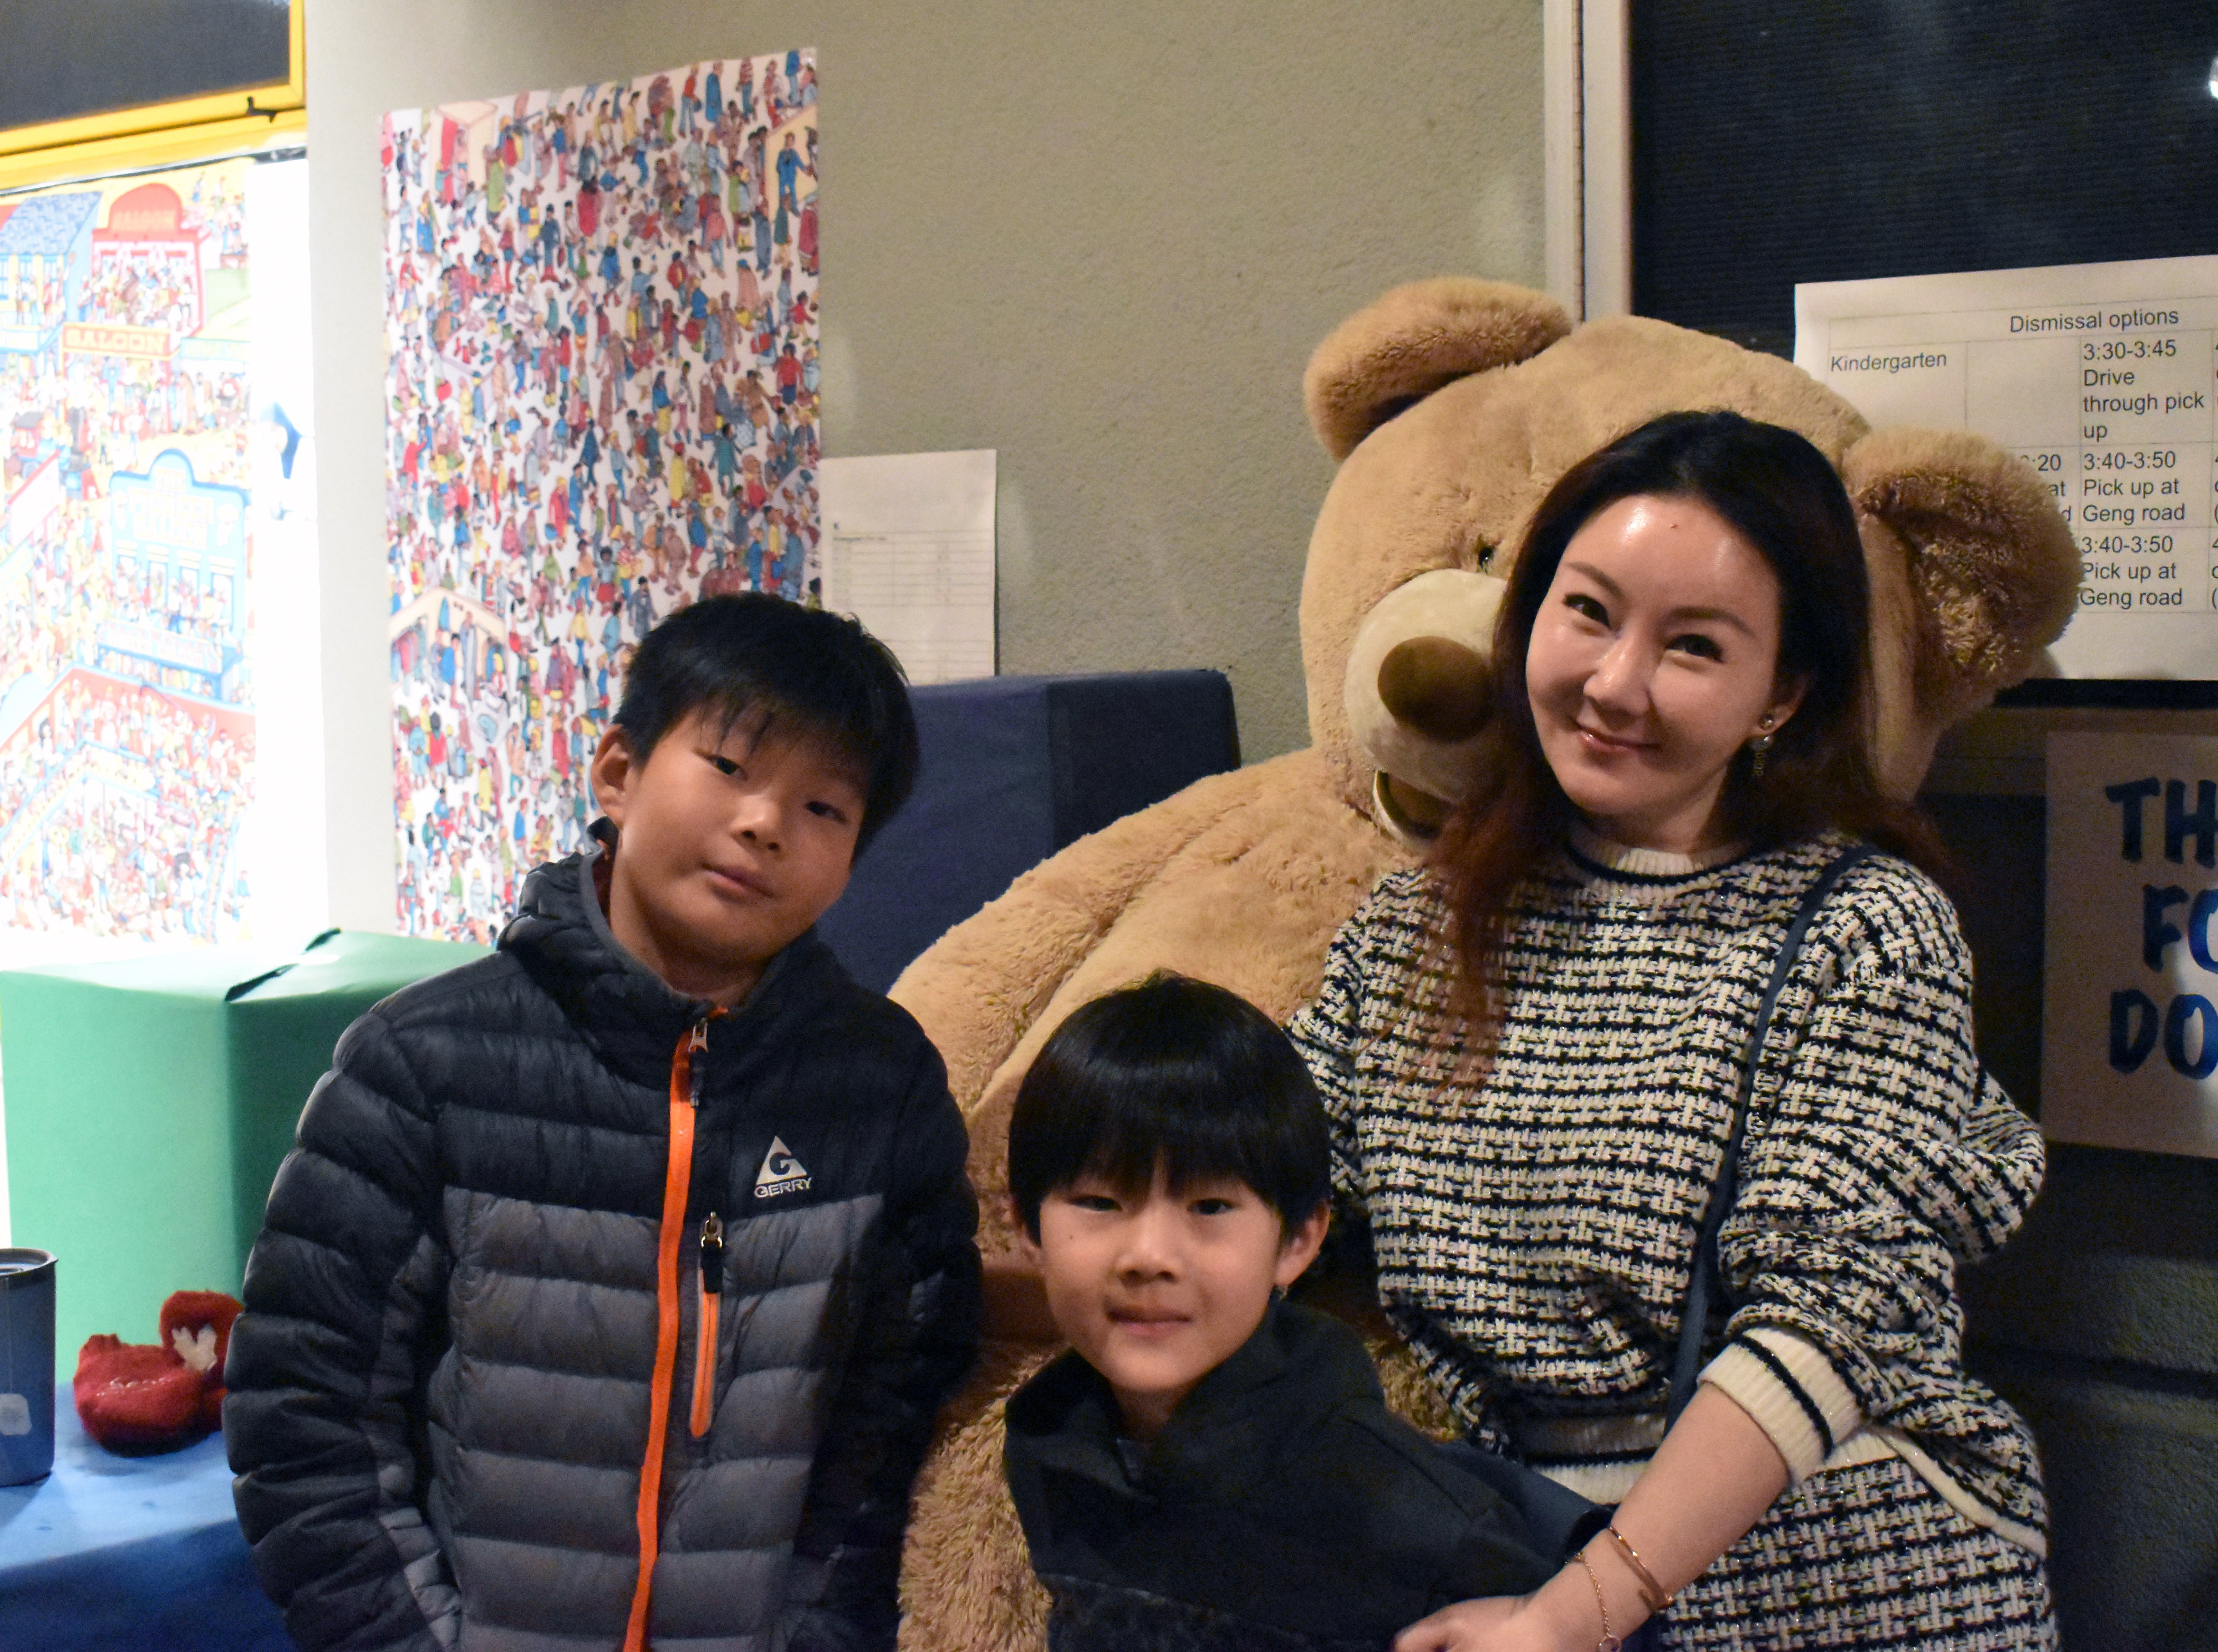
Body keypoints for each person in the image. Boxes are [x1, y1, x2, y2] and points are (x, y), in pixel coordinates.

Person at [1288, 411, 2054, 1651]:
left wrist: (1575, 1618)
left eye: (1693, 647)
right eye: (1587, 611)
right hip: (1514, 1545)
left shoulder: (1866, 928)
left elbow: (1833, 1311)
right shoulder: (1421, 922)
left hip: (1814, 1574)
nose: (1613, 684)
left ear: (1782, 694)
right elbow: (1271, 1163)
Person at [225, 593, 982, 1652]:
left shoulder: (881, 1085)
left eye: (825, 808)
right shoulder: (423, 1063)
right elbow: (304, 1418)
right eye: (729, 765)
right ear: (619, 772)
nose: (766, 822)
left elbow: (895, 1423)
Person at [1000, 972, 1595, 1652]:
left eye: (1210, 1208)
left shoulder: (1409, 1518)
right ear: (1026, 1228)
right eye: (1100, 1203)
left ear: (1299, 1241)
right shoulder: (1049, 1444)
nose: (1148, 1256)